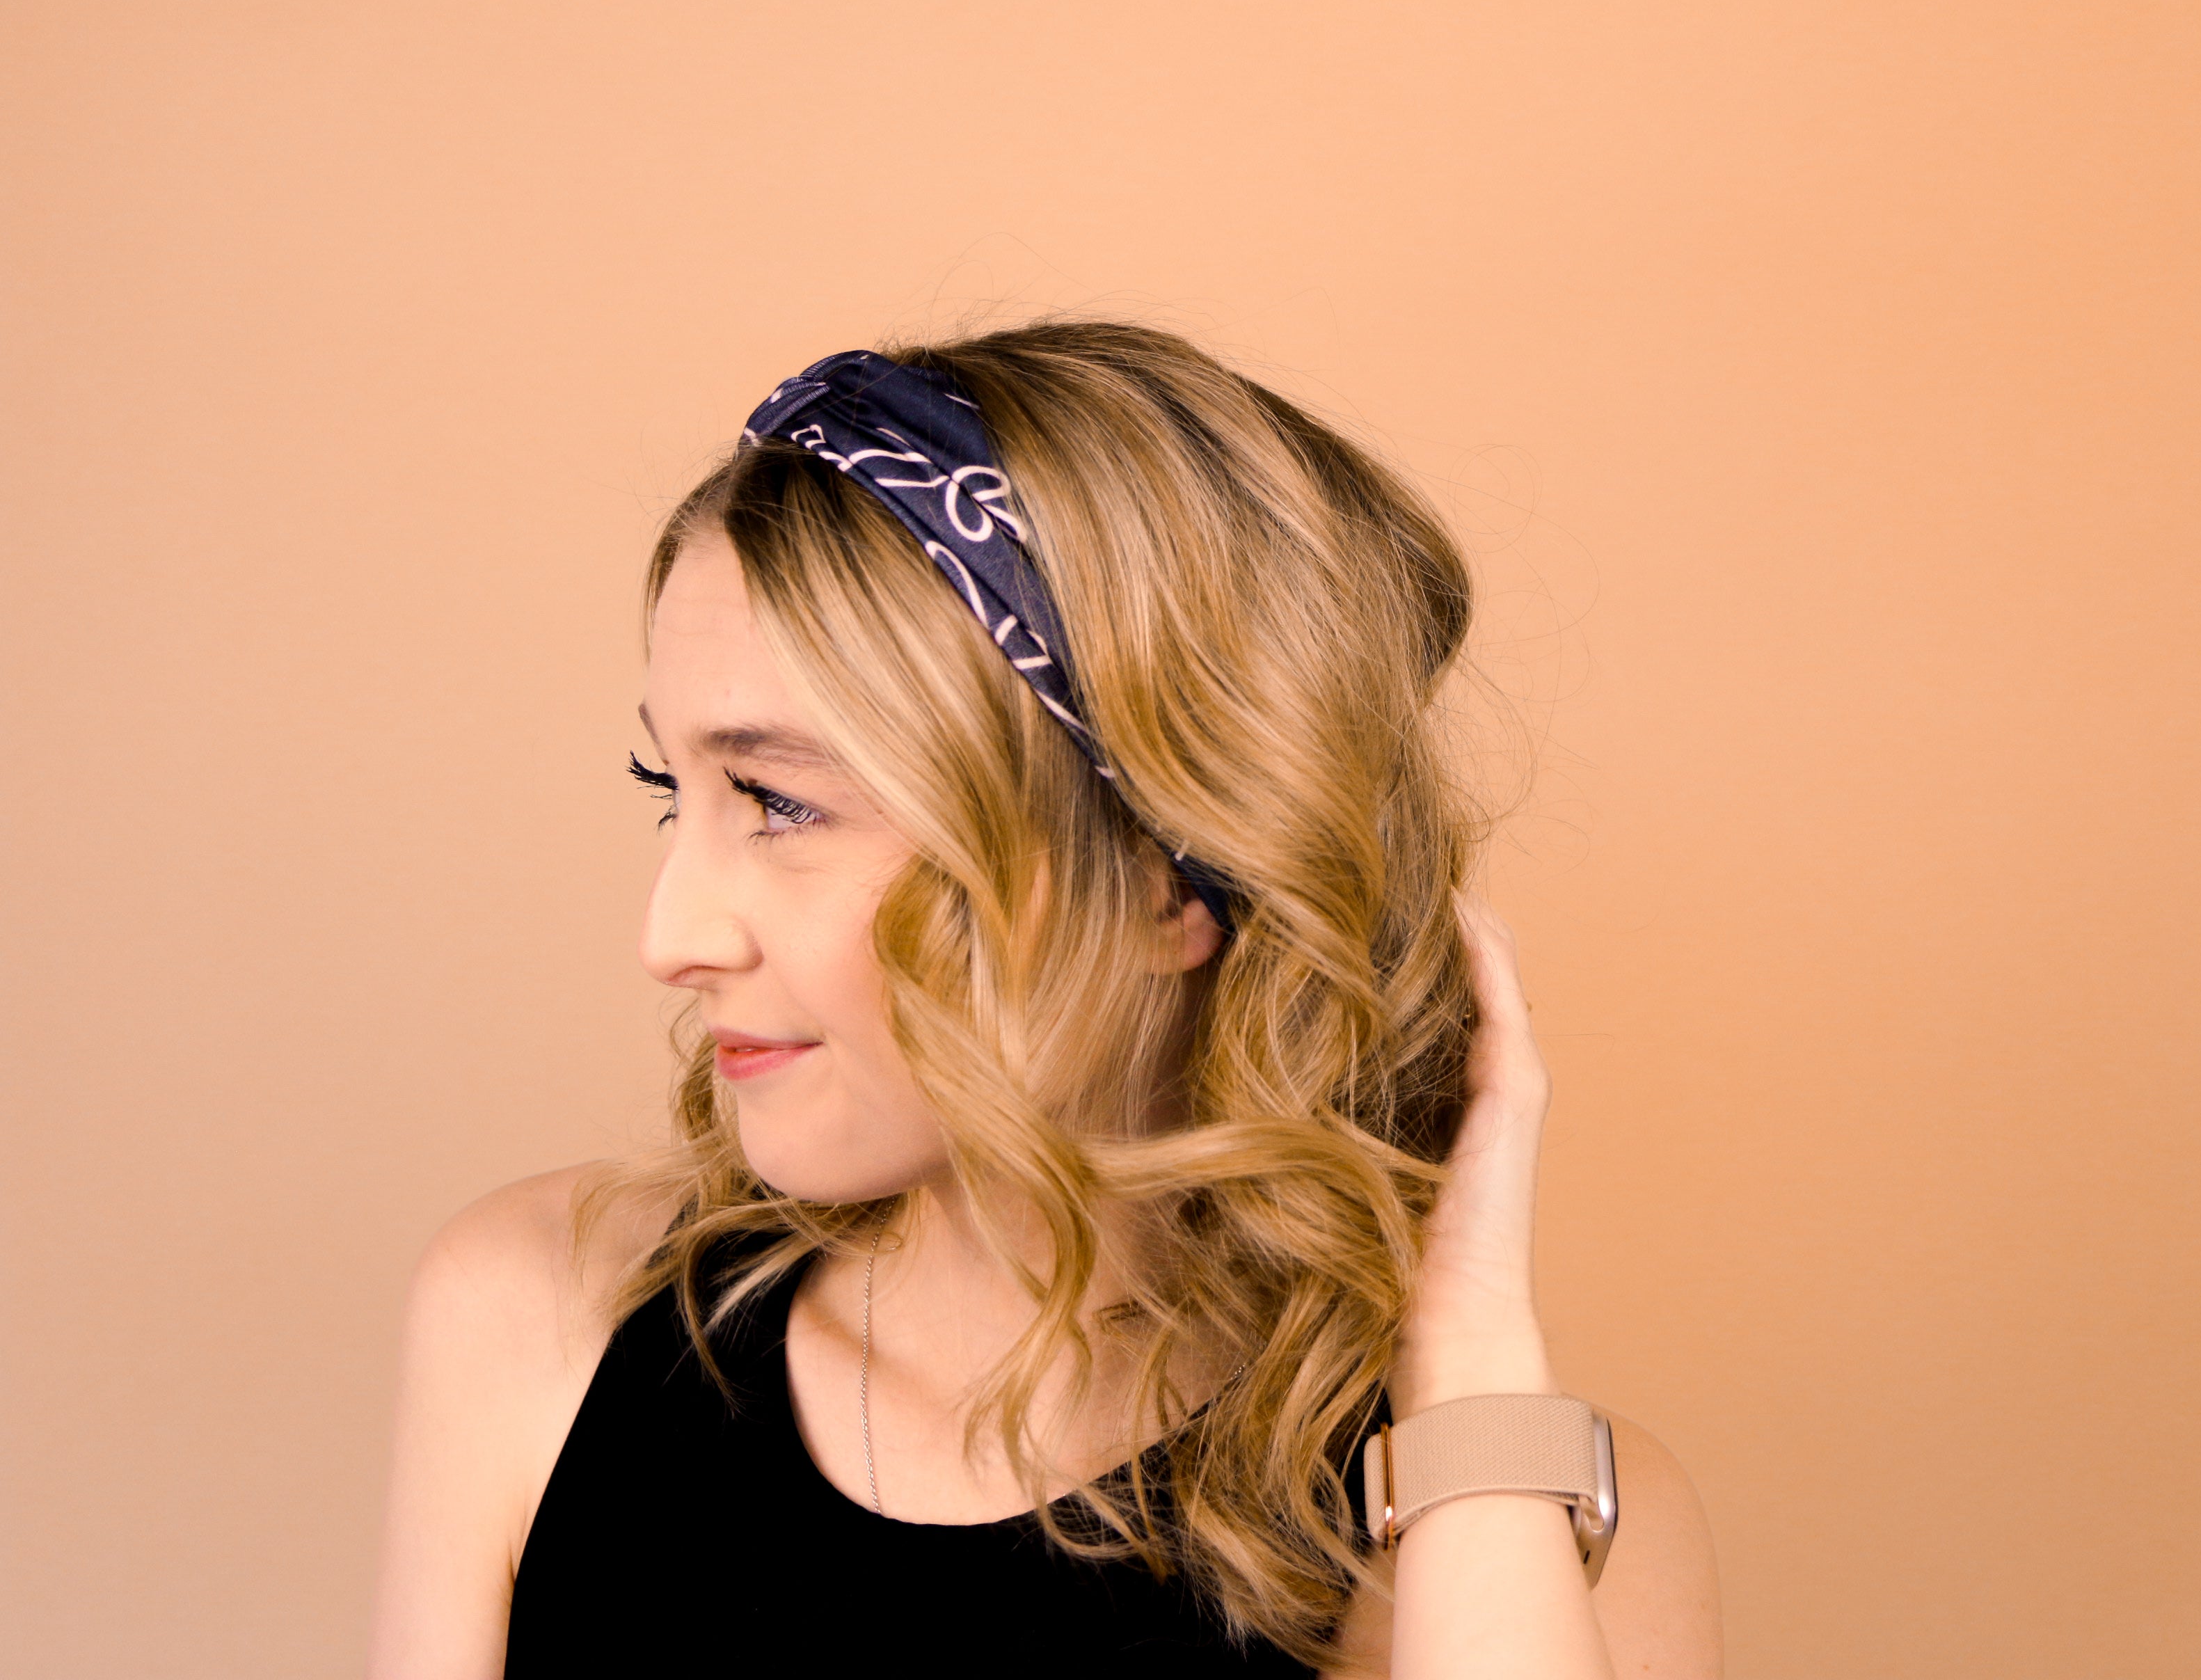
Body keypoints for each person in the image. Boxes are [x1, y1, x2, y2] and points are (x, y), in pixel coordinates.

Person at [366, 320, 1723, 1678]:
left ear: (1167, 882)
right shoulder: (542, 1320)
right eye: (680, 793)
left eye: (779, 801)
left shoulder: (1526, 1520)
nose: (670, 936)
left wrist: (1470, 1345)